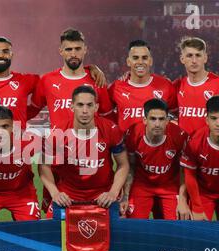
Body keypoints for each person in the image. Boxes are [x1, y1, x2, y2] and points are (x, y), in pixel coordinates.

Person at [29, 28, 114, 215]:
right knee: (56, 215)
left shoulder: (96, 80)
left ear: (85, 50)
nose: (73, 53)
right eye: (68, 49)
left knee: (95, 214)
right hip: (58, 157)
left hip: (91, 157)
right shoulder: (47, 80)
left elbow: (108, 118)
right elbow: (30, 110)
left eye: (77, 48)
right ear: (60, 51)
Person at [39, 85, 129, 220]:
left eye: (89, 105)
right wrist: (55, 193)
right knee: (51, 233)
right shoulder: (57, 133)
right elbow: (44, 166)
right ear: (72, 106)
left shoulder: (111, 129)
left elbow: (123, 165)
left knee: (121, 231)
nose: (85, 111)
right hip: (68, 195)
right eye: (80, 105)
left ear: (96, 107)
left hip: (103, 195)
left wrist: (113, 192)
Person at [121, 98, 189, 220]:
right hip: (142, 185)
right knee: (135, 223)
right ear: (145, 120)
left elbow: (184, 168)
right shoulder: (133, 134)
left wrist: (183, 200)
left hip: (169, 186)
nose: (157, 124)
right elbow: (130, 166)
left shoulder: (179, 135)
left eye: (161, 119)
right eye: (153, 119)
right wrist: (125, 196)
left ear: (167, 121)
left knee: (176, 226)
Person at [175, 37, 219, 136]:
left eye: (198, 55)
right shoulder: (177, 86)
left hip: (210, 148)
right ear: (182, 59)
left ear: (205, 58)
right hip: (185, 149)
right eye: (189, 55)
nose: (194, 60)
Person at [108, 40, 177, 133]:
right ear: (128, 61)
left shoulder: (165, 86)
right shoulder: (116, 87)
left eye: (144, 58)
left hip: (156, 146)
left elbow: (177, 115)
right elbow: (105, 116)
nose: (140, 62)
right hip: (126, 146)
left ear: (150, 61)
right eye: (135, 58)